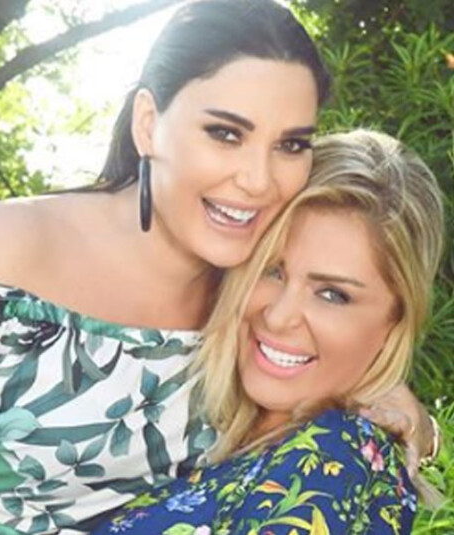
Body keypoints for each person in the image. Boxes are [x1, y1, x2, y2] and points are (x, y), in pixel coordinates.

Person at [0, 1, 436, 534]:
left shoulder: (252, 303)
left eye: (290, 145)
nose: (257, 179)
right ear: (149, 124)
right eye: (225, 133)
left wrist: (396, 400)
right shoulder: (14, 247)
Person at [91, 129, 445, 535]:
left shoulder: (336, 452)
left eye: (333, 294)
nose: (278, 317)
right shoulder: (182, 415)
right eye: (272, 270)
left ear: (394, 323)